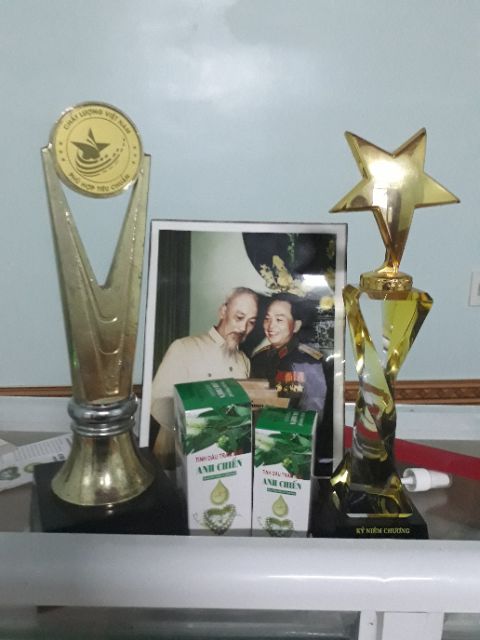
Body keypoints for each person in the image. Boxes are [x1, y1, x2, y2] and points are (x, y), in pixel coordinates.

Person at [150, 287, 258, 465]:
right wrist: (205, 430)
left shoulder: (244, 361)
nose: (243, 328)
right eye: (239, 317)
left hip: (226, 459)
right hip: (177, 458)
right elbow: (158, 403)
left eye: (251, 322)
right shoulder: (183, 347)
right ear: (223, 311)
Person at [251, 294, 327, 420]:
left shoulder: (308, 361)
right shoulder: (258, 358)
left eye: (279, 320)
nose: (271, 326)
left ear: (296, 326)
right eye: (267, 319)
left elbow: (314, 414)